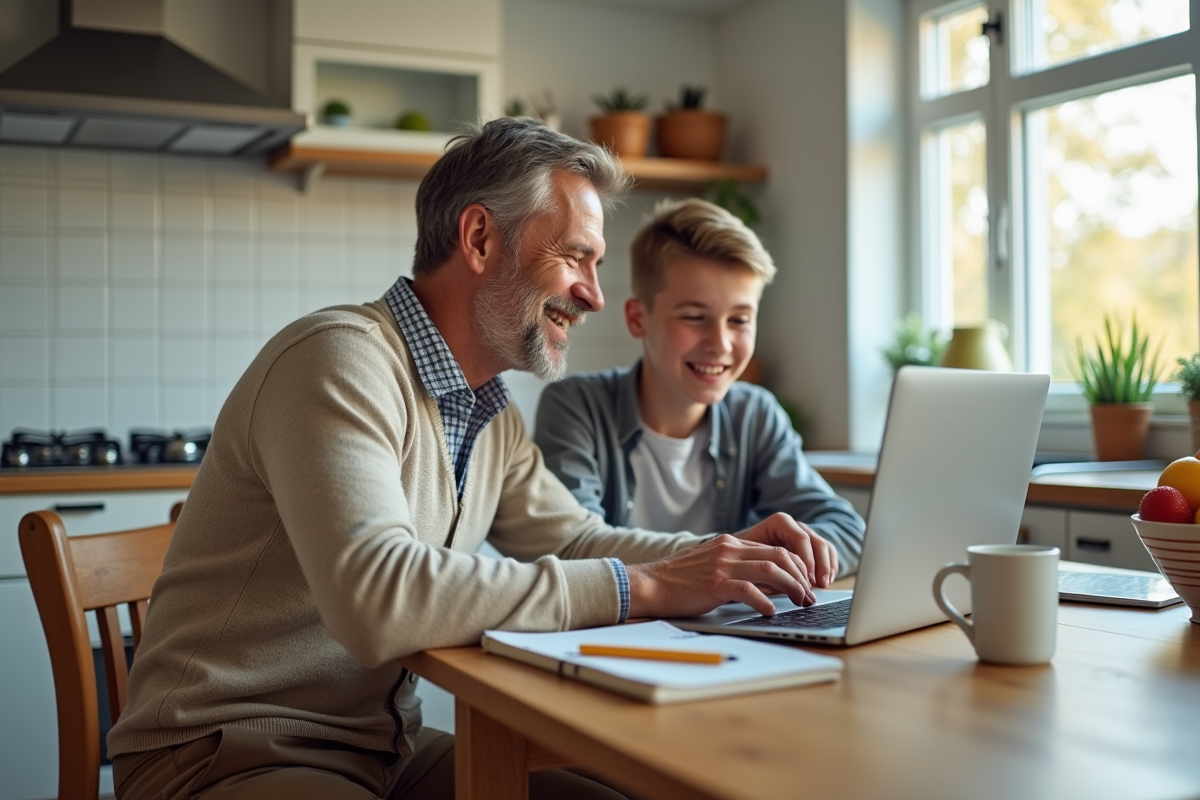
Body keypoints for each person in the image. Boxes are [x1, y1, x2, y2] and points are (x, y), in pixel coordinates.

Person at [106, 119, 838, 800]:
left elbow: (573, 537)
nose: (591, 293)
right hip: (224, 751)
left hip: (385, 749)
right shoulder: (337, 360)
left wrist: (722, 557)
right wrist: (642, 586)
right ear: (481, 239)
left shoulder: (490, 412)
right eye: (575, 257)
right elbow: (377, 599)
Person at [534, 198, 865, 576]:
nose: (720, 343)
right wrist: (730, 559)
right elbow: (574, 550)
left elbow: (847, 529)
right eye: (694, 317)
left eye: (739, 320)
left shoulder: (754, 415)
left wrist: (788, 557)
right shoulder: (576, 407)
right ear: (638, 319)